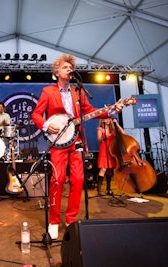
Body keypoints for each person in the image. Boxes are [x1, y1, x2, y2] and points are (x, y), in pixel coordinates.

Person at [31, 54, 124, 239]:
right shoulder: (48, 92)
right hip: (58, 142)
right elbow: (36, 114)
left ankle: (71, 219)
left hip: (77, 141)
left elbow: (90, 111)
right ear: (57, 72)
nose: (69, 70)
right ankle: (54, 221)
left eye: (70, 67)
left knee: (79, 180)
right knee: (57, 181)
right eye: (65, 67)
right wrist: (47, 125)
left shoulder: (78, 92)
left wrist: (112, 109)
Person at [96, 118, 124, 196]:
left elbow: (123, 132)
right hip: (104, 149)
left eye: (109, 119)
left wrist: (117, 124)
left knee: (109, 169)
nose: (108, 120)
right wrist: (103, 137)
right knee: (103, 168)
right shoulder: (100, 129)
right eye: (106, 119)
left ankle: (109, 189)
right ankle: (99, 189)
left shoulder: (113, 129)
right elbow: (99, 139)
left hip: (111, 150)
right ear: (102, 120)